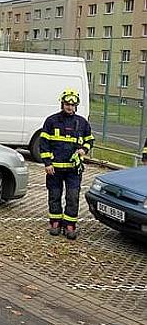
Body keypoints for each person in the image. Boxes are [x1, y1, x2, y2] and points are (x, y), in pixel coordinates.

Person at [39, 88, 94, 240]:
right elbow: (44, 144)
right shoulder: (51, 121)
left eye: (72, 105)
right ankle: (55, 222)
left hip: (73, 171)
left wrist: (84, 149)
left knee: (72, 197)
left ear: (76, 106)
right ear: (62, 104)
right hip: (54, 169)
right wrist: (47, 163)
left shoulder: (82, 123)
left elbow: (90, 140)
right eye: (67, 104)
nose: (70, 107)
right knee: (54, 195)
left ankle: (70, 225)